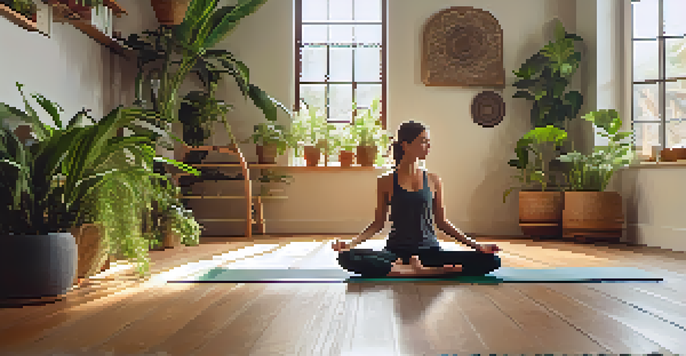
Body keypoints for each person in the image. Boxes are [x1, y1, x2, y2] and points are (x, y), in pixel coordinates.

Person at [332, 120, 502, 278]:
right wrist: (351, 244)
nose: (428, 146)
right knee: (346, 257)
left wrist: (477, 246)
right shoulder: (385, 181)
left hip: (430, 252)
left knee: (492, 260)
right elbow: (378, 224)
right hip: (395, 253)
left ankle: (406, 271)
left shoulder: (434, 180)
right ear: (406, 145)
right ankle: (428, 272)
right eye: (423, 141)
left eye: (428, 141)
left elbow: (442, 222)